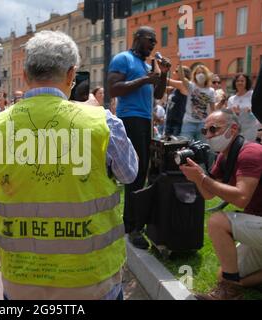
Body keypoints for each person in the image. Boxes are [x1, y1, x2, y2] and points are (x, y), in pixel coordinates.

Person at [0, 30, 138, 300]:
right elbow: (130, 174)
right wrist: (92, 111)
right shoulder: (102, 121)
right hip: (90, 277)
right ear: (71, 74)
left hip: (21, 278)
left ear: (27, 76)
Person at [179, 109, 262, 300]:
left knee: (217, 221)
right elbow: (208, 194)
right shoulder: (225, 156)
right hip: (257, 223)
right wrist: (196, 177)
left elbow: (242, 198)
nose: (208, 136)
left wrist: (202, 178)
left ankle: (231, 291)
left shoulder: (250, 152)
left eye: (213, 129)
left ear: (233, 129)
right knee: (225, 273)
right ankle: (236, 283)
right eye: (204, 131)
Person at [108, 26, 171, 249]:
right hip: (130, 119)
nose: (153, 44)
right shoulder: (123, 59)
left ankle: (131, 223)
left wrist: (162, 75)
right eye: (149, 39)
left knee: (142, 172)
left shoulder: (146, 66)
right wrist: (145, 80)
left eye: (155, 41)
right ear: (136, 38)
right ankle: (134, 227)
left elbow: (158, 94)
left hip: (145, 120)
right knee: (135, 173)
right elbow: (113, 89)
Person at [169, 64, 215, 141]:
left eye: (202, 73)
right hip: (188, 123)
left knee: (202, 148)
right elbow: (182, 77)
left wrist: (211, 123)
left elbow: (213, 110)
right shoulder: (191, 86)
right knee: (186, 147)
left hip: (203, 124)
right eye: (198, 73)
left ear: (206, 75)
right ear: (194, 75)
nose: (200, 75)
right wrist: (180, 62)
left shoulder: (211, 91)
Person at [227, 74, 259, 142]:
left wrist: (250, 112)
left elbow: (258, 111)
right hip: (237, 131)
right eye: (237, 81)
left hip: (251, 130)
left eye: (242, 81)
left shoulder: (252, 95)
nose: (239, 83)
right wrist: (235, 114)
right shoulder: (231, 99)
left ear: (246, 82)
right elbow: (229, 117)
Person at [164, 66, 191, 137]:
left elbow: (166, 81)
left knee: (175, 146)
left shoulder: (183, 85)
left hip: (178, 123)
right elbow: (162, 88)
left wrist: (159, 73)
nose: (173, 73)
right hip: (169, 122)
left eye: (176, 71)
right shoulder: (174, 88)